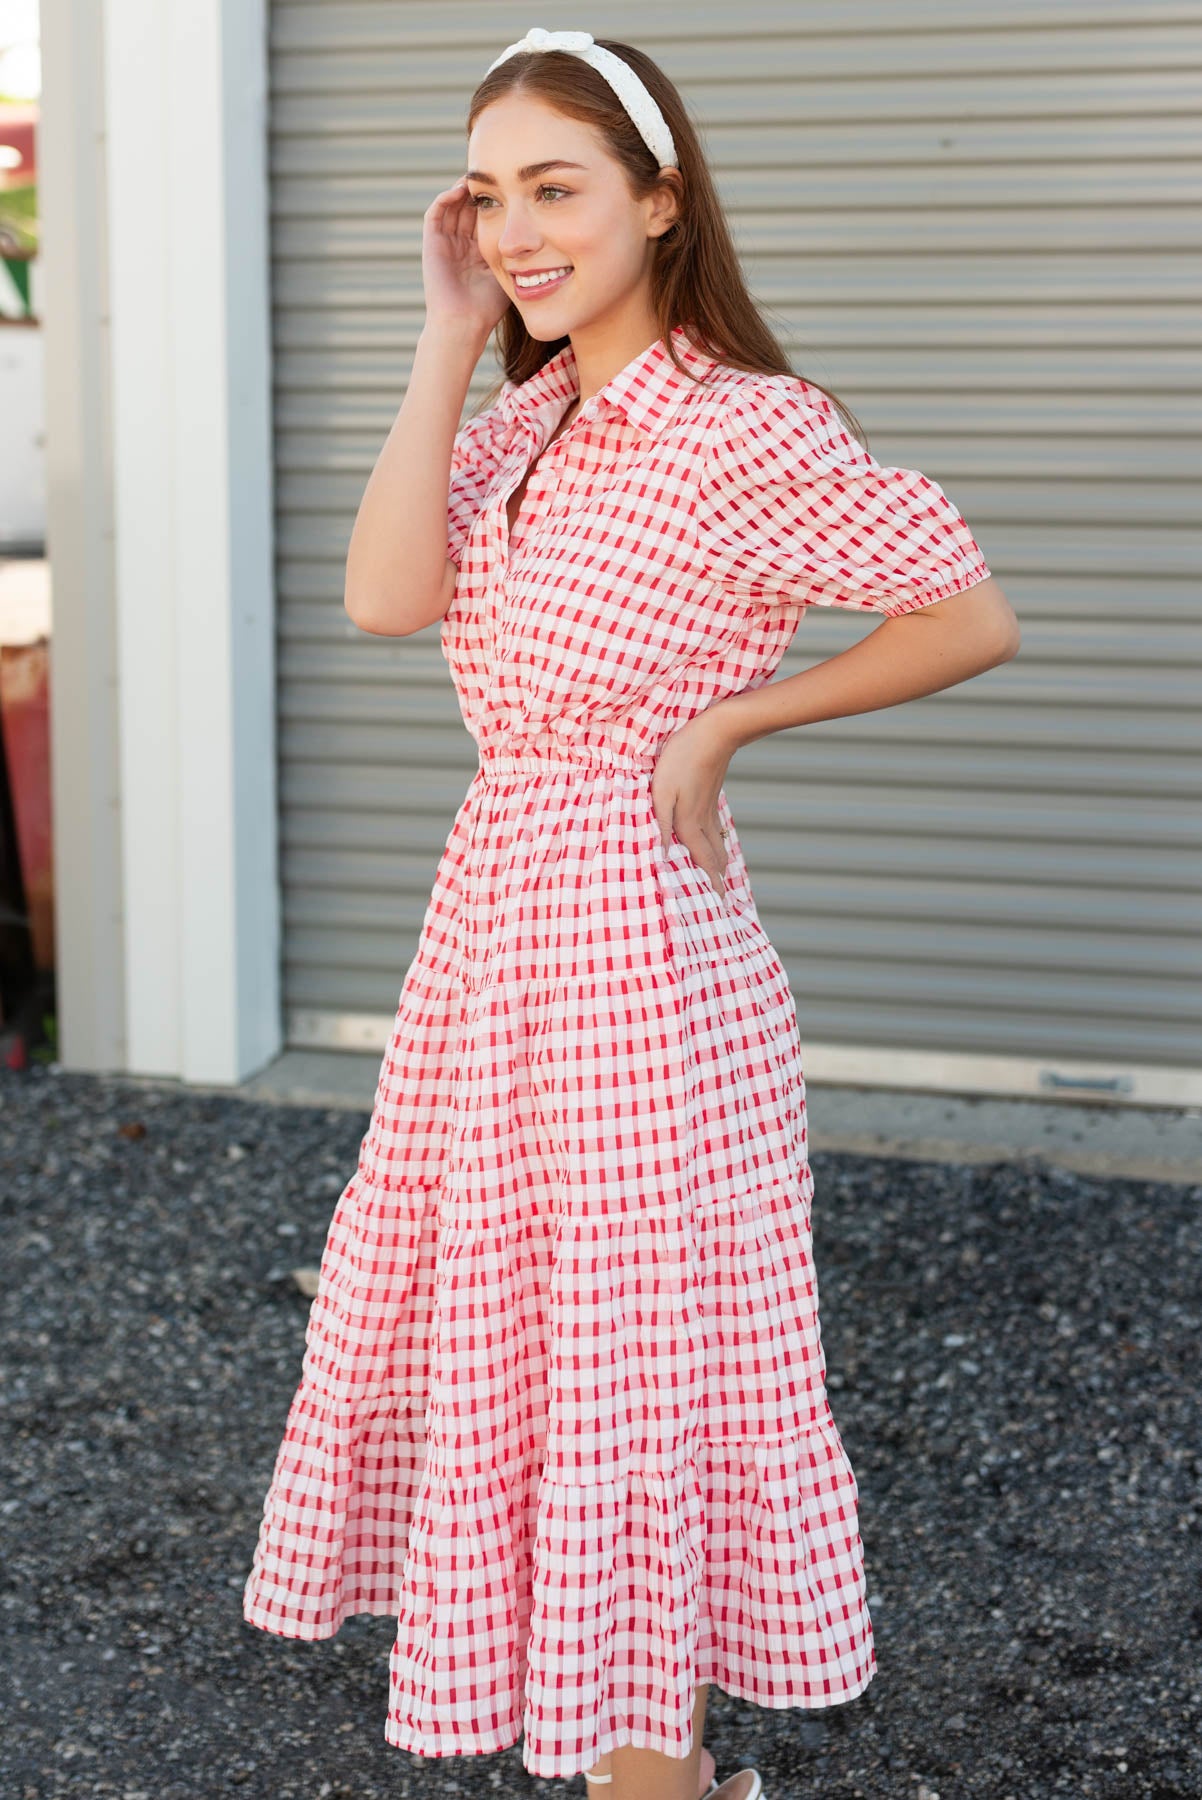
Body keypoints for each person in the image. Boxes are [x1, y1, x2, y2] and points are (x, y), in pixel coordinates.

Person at [243, 27, 1021, 1800]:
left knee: (633, 1342)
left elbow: (963, 615)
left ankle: (651, 1772)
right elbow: (382, 597)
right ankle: (625, 1768)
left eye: (558, 188)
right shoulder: (523, 418)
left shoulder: (744, 422)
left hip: (634, 943)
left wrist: (735, 718)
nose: (518, 228)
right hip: (496, 923)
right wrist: (450, 330)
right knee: (514, 1322)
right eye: (493, 191)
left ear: (659, 203)